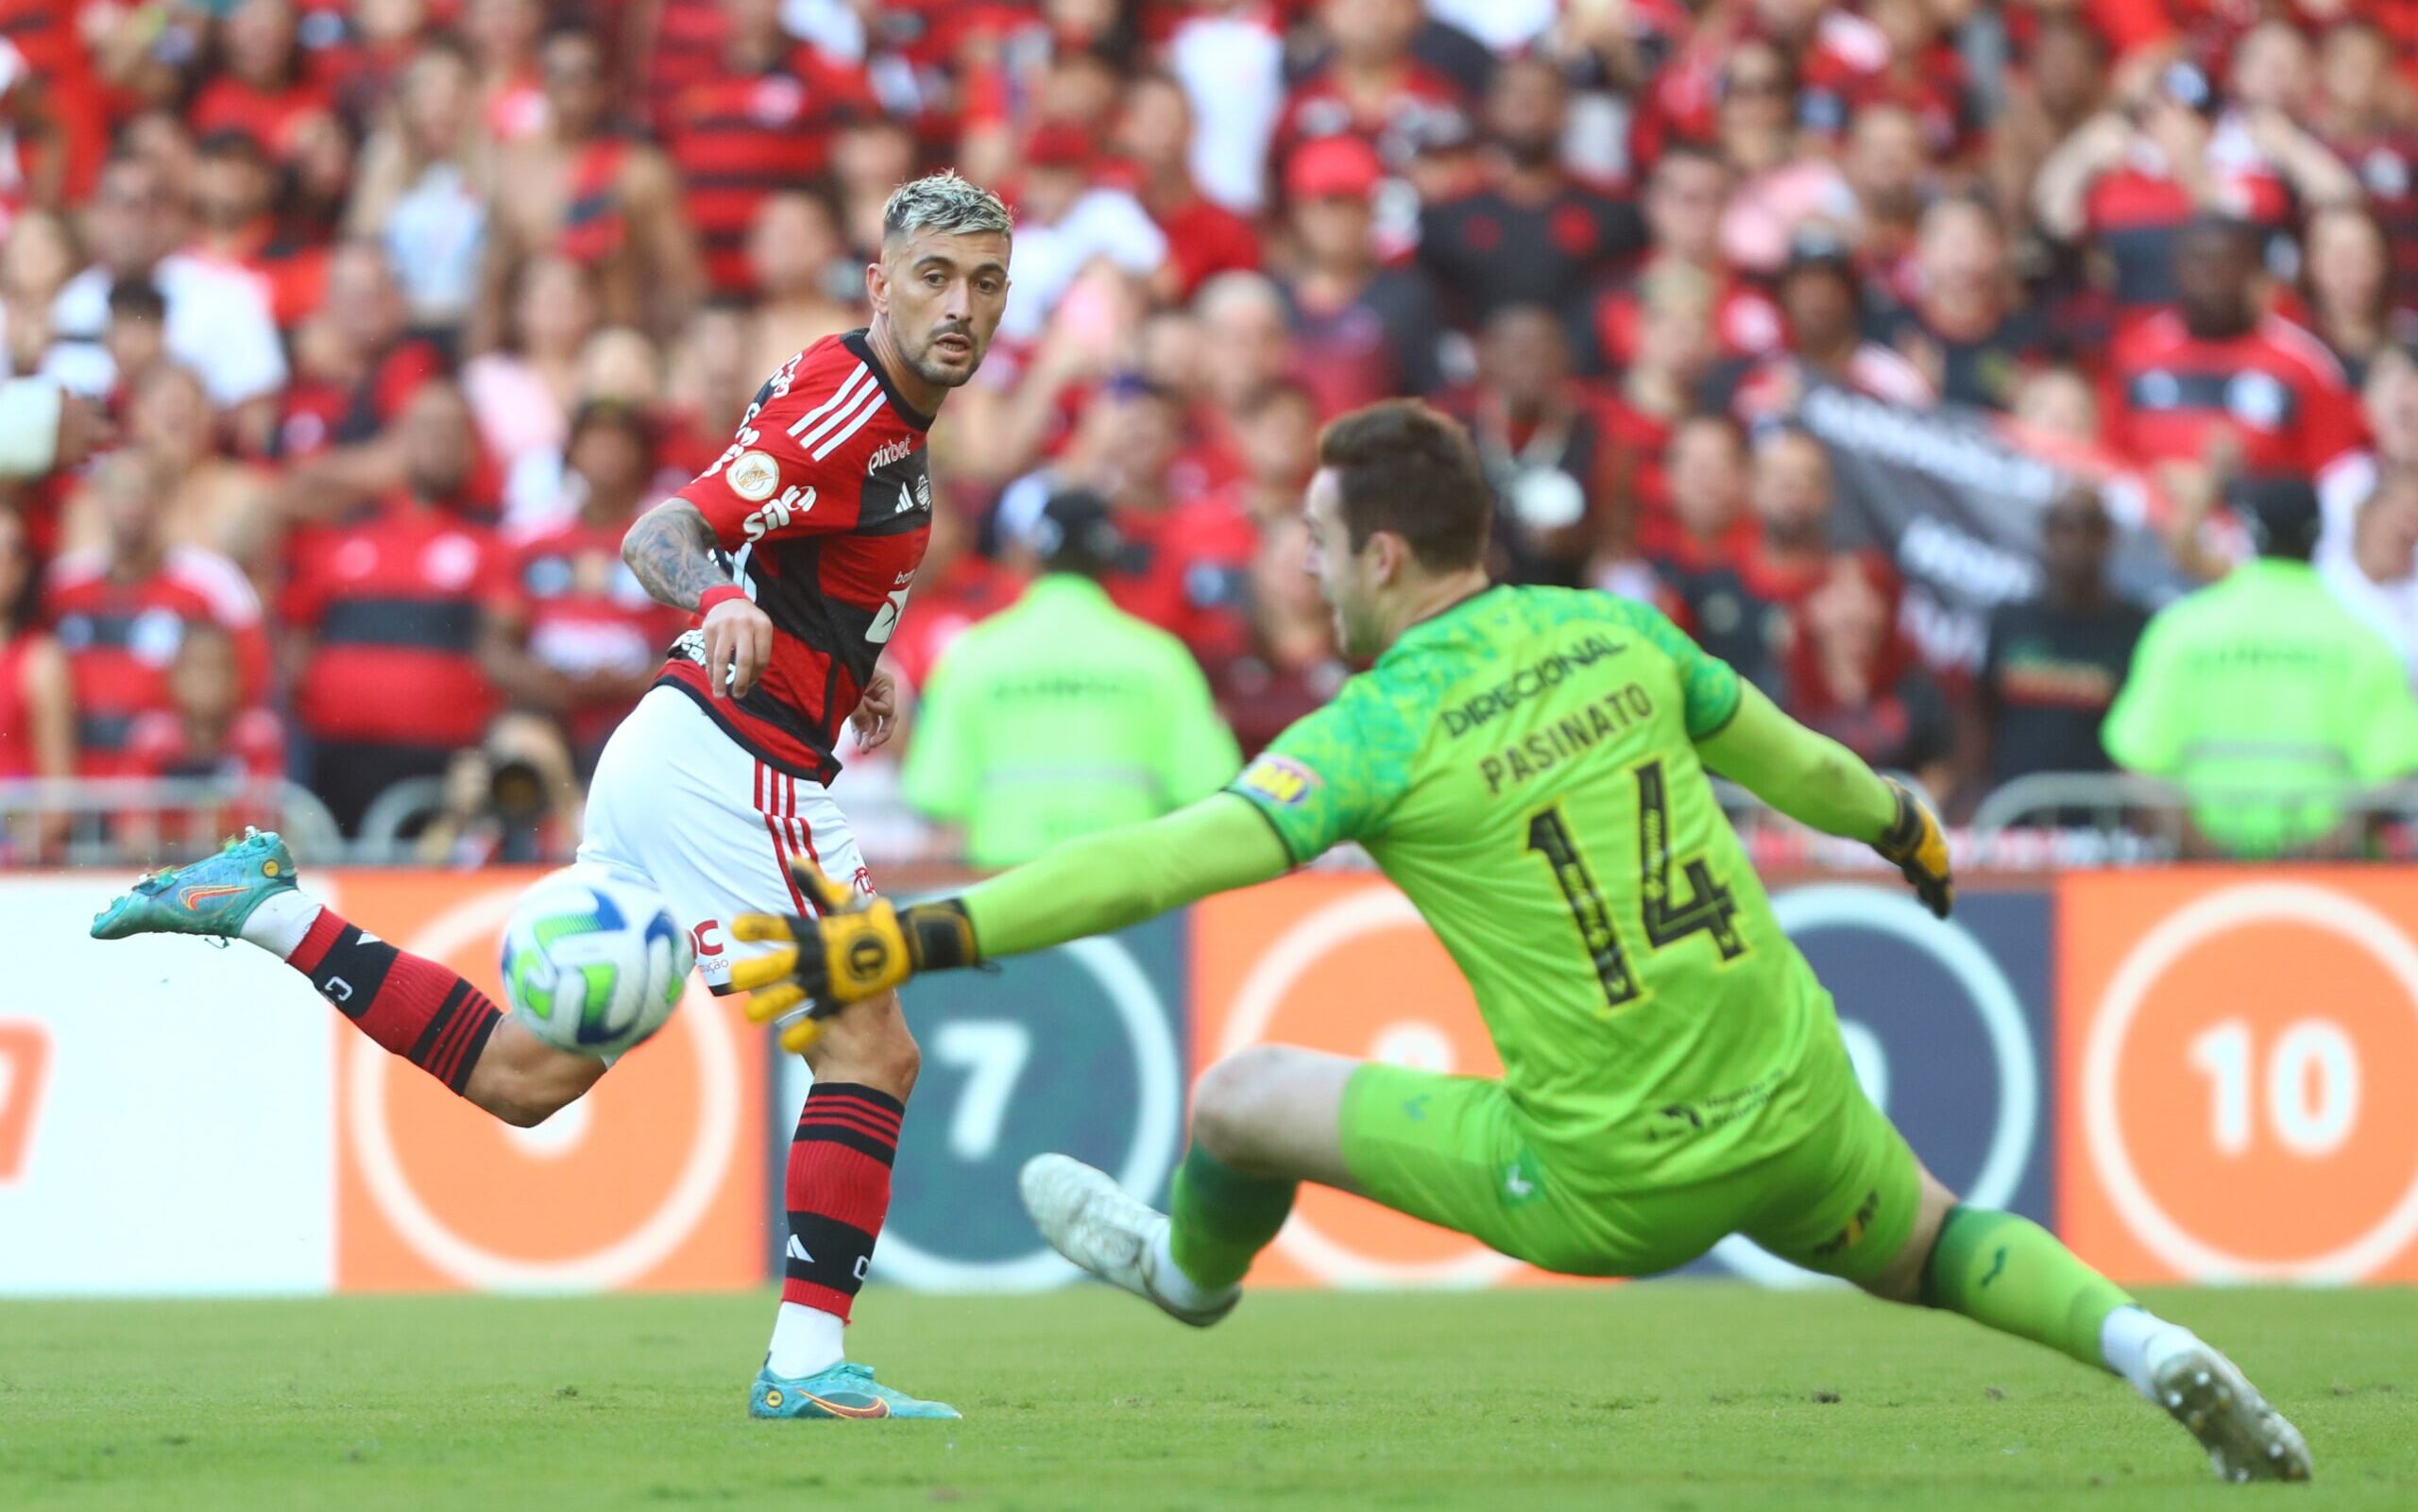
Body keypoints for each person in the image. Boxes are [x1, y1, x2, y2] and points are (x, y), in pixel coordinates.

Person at [723, 399, 2310, 1485]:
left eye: (1318, 541)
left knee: (1236, 1102)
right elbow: (1820, 775)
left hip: (1606, 1177)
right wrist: (1908, 833)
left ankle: (1188, 1278)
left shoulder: (1376, 727)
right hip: (1795, 1093)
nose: (1304, 564)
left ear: (1387, 560)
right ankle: (2143, 1333)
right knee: (1935, 1244)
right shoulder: (1617, 628)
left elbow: (1160, 863)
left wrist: (915, 936)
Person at [92, 173, 1014, 1424]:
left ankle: (265, 912)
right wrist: (722, 599)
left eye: (985, 283)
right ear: (880, 285)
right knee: (870, 1044)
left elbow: (795, 546)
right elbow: (666, 533)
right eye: (936, 278)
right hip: (732, 762)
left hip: (681, 750)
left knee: (525, 1080)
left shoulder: (881, 407)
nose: (961, 306)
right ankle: (806, 1365)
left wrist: (853, 658)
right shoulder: (852, 403)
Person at [903, 489, 1240, 869]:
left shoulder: (972, 657)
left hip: (1005, 887)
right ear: (1111, 556)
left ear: (1035, 554)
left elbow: (937, 792)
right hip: (1126, 888)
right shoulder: (1161, 660)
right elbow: (1207, 784)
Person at [2103, 478, 2418, 858]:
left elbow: (2140, 761)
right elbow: (2392, 772)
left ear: (2246, 534)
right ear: (2320, 535)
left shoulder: (2182, 629)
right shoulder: (2364, 640)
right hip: (2333, 886)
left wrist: (2205, 853)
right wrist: (2319, 856)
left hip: (2194, 883)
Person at [1976, 490, 2149, 791]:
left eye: (2091, 528)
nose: (2078, 541)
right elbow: (1979, 716)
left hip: (2105, 820)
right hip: (2015, 815)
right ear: (2046, 536)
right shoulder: (2009, 620)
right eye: (2065, 527)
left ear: (2109, 539)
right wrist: (1973, 789)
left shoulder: (2138, 627)